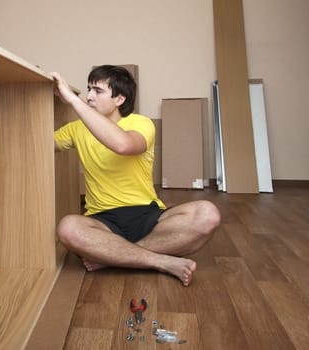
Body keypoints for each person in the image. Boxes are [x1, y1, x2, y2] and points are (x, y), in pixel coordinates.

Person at [52, 65, 221, 286]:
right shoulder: (76, 129)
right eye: (88, 90)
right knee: (68, 228)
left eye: (97, 91)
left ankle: (113, 258)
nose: (89, 96)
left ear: (119, 99)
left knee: (208, 215)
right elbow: (40, 142)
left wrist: (74, 102)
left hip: (146, 214)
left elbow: (122, 145)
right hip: (102, 220)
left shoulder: (141, 123)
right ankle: (159, 261)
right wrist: (37, 95)